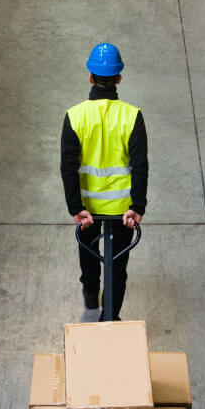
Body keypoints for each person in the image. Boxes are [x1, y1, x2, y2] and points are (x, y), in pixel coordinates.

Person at [60, 42, 148, 318]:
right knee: (117, 268)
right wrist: (138, 206)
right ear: (119, 78)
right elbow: (140, 166)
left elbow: (68, 167)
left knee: (88, 252)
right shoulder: (132, 117)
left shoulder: (74, 116)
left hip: (88, 208)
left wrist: (76, 208)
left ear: (90, 76)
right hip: (122, 211)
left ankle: (90, 292)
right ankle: (109, 317)